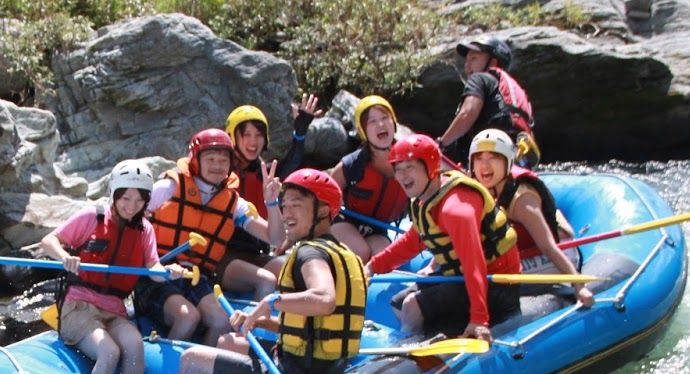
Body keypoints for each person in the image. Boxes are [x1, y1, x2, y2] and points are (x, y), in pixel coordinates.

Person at [180, 169, 367, 374]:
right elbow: (312, 327)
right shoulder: (341, 252)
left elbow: (324, 300)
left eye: (296, 205)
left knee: (191, 360)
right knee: (228, 342)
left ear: (323, 211)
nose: (286, 213)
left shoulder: (309, 254)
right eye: (284, 205)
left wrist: (271, 301)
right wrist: (261, 321)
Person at [39, 160, 185, 374]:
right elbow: (49, 241)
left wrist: (168, 272)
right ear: (114, 194)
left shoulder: (145, 230)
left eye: (139, 199)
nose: (132, 206)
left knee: (135, 347)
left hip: (114, 309)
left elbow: (153, 268)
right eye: (126, 198)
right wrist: (64, 257)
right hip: (79, 305)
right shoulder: (92, 216)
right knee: (109, 352)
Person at [368, 133, 520, 343]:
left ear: (430, 167)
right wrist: (372, 267)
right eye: (398, 168)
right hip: (459, 278)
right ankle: (431, 337)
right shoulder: (425, 200)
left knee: (412, 305)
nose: (402, 176)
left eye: (410, 167)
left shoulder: (455, 209)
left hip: (497, 286)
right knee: (398, 303)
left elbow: (473, 264)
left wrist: (479, 320)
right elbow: (414, 240)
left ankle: (408, 351)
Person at [138, 129, 275, 343]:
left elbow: (273, 237)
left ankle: (206, 370)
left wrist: (272, 203)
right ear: (195, 160)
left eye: (223, 160)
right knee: (188, 317)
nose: (217, 166)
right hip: (156, 274)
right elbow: (129, 217)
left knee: (221, 321)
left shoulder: (233, 203)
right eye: (210, 159)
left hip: (194, 276)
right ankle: (173, 372)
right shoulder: (168, 188)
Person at [468, 129, 593, 308]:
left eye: (493, 158)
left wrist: (578, 286)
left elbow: (548, 246)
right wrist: (433, 266)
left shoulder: (521, 199)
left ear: (507, 162)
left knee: (491, 280)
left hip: (553, 253)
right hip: (522, 252)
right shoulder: (478, 187)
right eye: (479, 158)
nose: (485, 166)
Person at [221, 99, 317, 281]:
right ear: (233, 137)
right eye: (246, 135)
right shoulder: (220, 172)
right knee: (266, 279)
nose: (253, 141)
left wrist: (300, 134)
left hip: (255, 253)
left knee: (293, 270)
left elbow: (292, 164)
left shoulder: (264, 174)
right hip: (223, 255)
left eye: (258, 135)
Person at [436, 35, 540, 169]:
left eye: (473, 59)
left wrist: (441, 144)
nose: (467, 67)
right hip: (516, 162)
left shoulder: (480, 79)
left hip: (489, 159)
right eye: (466, 61)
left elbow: (467, 113)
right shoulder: (514, 90)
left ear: (492, 62)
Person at [328, 95, 409, 262]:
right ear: (363, 130)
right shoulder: (352, 165)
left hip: (377, 229)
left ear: (393, 123)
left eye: (385, 118)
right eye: (372, 121)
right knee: (360, 251)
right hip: (344, 221)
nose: (380, 125)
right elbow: (321, 195)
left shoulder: (410, 163)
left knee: (386, 259)